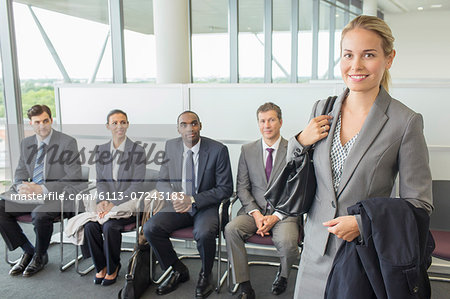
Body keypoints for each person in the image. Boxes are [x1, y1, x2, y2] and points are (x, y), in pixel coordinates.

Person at [289, 15, 433, 298]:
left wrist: (364, 223)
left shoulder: (405, 122)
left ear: (388, 59)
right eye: (348, 55)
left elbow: (420, 203)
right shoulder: (322, 109)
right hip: (314, 250)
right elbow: (296, 176)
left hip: (361, 256)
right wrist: (300, 141)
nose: (355, 65)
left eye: (368, 55)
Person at [144, 111, 233, 298]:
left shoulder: (218, 150)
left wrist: (192, 200)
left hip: (206, 206)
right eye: (184, 124)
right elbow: (162, 181)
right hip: (178, 205)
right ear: (178, 128)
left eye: (194, 124)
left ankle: (205, 274)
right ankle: (177, 269)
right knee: (151, 228)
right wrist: (174, 196)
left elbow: (225, 189)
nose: (189, 128)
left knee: (203, 232)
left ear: (200, 125)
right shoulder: (170, 147)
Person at [225, 102, 300, 298]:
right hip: (254, 211)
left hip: (284, 213)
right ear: (258, 124)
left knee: (288, 241)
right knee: (231, 229)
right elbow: (242, 187)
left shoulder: (293, 150)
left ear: (280, 122)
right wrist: (257, 214)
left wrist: (275, 217)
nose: (267, 125)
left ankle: (283, 275)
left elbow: (296, 190)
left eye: (271, 120)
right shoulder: (247, 150)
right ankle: (244, 284)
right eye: (262, 121)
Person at [0, 104, 82, 277]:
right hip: (31, 196)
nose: (42, 126)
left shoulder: (67, 142)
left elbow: (73, 176)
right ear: (31, 123)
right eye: (37, 122)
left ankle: (40, 255)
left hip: (57, 196)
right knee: (1, 207)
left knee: (40, 215)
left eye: (45, 121)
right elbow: (20, 173)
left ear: (51, 120)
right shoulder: (27, 143)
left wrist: (42, 188)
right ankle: (28, 250)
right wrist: (22, 187)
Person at [83, 109, 145, 286]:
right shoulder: (101, 150)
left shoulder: (137, 151)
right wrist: (103, 201)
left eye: (123, 122)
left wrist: (114, 203)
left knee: (110, 227)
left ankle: (113, 267)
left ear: (127, 125)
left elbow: (136, 186)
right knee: (90, 227)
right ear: (108, 126)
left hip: (128, 206)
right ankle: (100, 267)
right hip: (107, 205)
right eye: (115, 122)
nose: (119, 126)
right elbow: (101, 181)